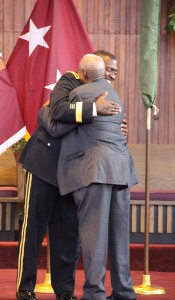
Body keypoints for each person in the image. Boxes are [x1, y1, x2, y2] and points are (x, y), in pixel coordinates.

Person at [16, 52, 123, 300]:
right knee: (33, 228)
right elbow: (54, 115)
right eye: (108, 69)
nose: (110, 75)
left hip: (74, 173)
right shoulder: (70, 80)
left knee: (68, 234)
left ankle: (64, 290)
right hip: (44, 165)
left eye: (113, 72)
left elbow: (57, 120)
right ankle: (25, 287)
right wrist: (93, 111)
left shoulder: (108, 96)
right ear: (92, 68)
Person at [47, 54, 138, 300]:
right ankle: (124, 291)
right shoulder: (115, 94)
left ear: (83, 74)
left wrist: (45, 112)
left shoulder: (80, 94)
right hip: (122, 170)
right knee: (119, 237)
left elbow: (55, 124)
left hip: (95, 171)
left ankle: (95, 293)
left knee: (93, 237)